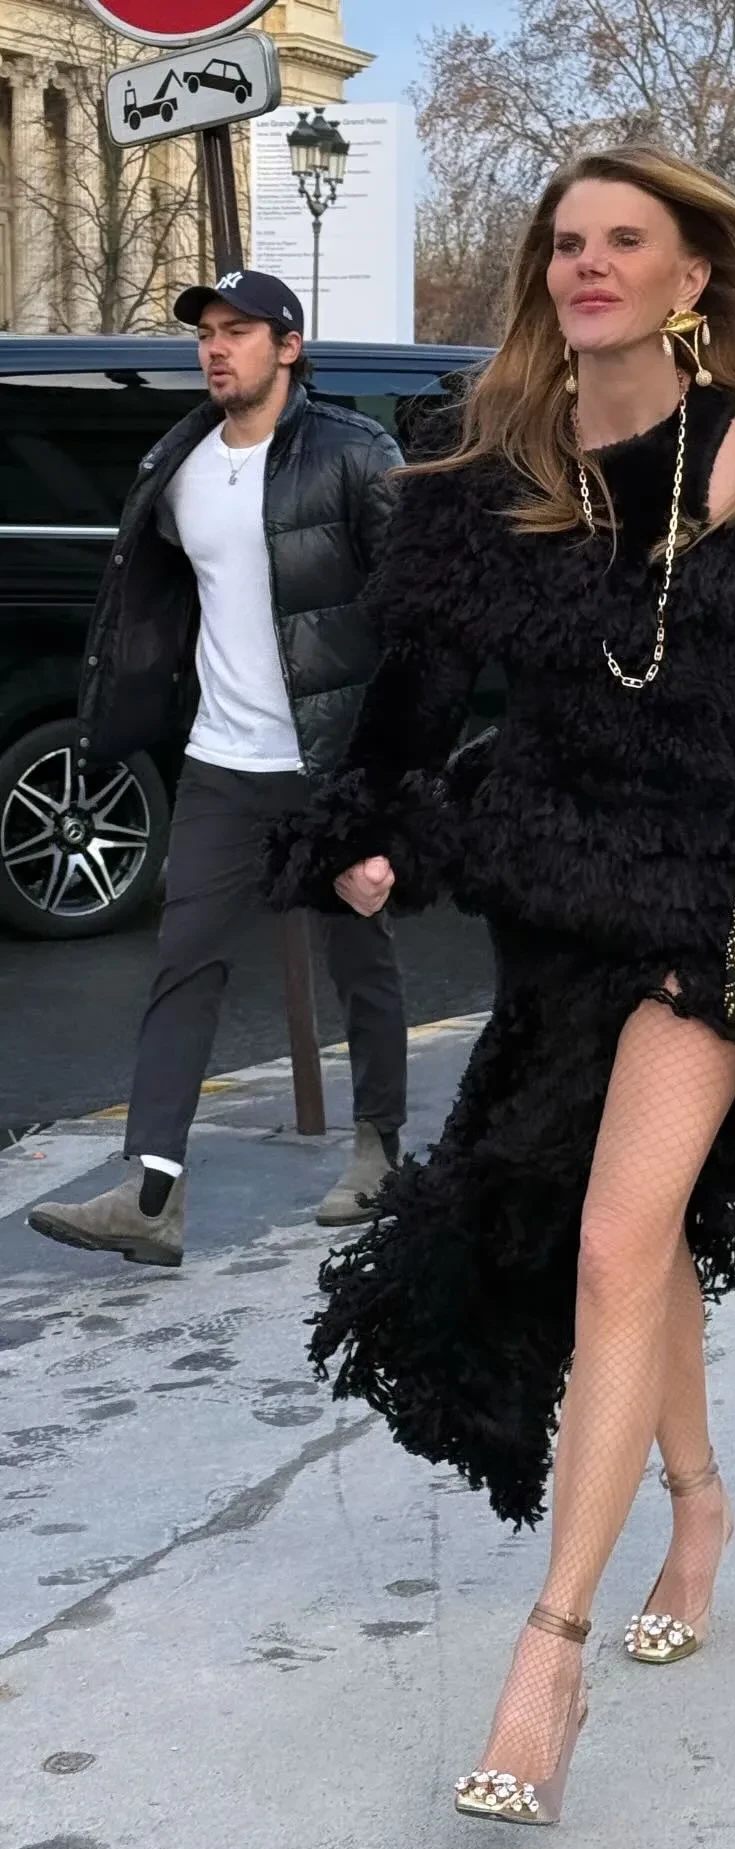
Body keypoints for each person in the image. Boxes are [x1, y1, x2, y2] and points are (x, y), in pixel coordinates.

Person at [263, 144, 735, 1828]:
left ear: (690, 278)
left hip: (714, 900)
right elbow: (416, 692)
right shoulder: (485, 466)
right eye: (565, 243)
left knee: (613, 1241)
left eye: (622, 240)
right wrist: (373, 830)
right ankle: (699, 1500)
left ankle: (550, 1656)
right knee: (632, 1245)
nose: (585, 265)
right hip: (556, 894)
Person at [28, 272, 408, 1269]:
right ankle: (152, 1191)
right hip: (221, 762)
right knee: (183, 963)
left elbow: (416, 626)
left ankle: (379, 1148)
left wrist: (386, 804)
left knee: (360, 957)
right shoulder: (180, 459)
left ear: (289, 345)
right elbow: (152, 591)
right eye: (206, 332)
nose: (215, 347)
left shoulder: (356, 454)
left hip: (331, 760)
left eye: (238, 330)